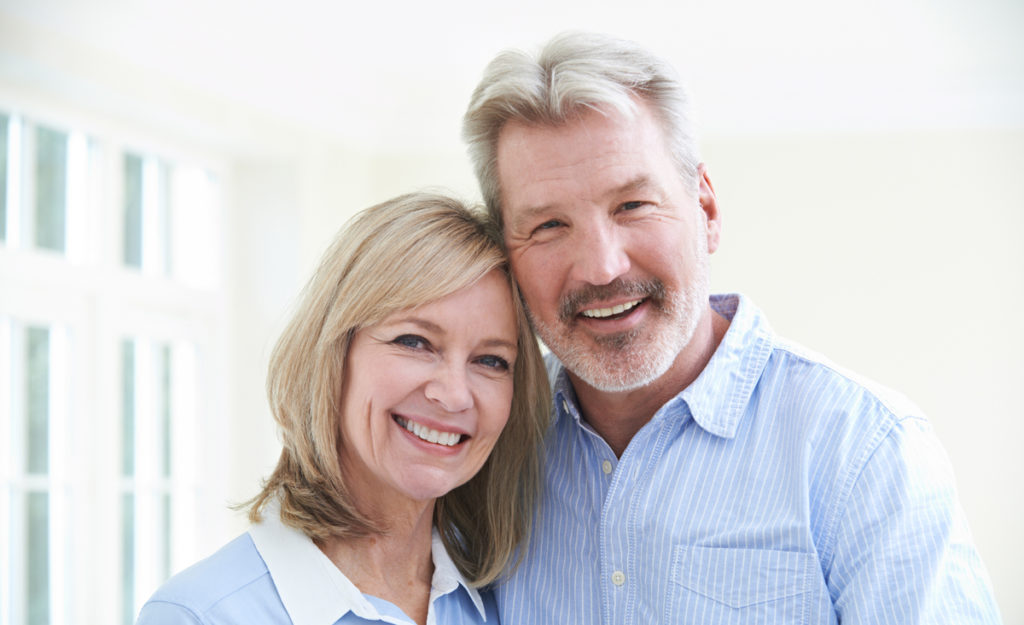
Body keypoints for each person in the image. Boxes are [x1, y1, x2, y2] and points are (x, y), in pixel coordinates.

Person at [462, 31, 1002, 623]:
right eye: (548, 226)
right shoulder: (485, 443)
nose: (602, 266)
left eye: (632, 206)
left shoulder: (866, 451)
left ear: (707, 210)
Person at [135, 192, 550, 625]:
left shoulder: (502, 600)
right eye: (414, 342)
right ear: (334, 354)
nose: (454, 395)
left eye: (491, 360)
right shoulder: (200, 615)